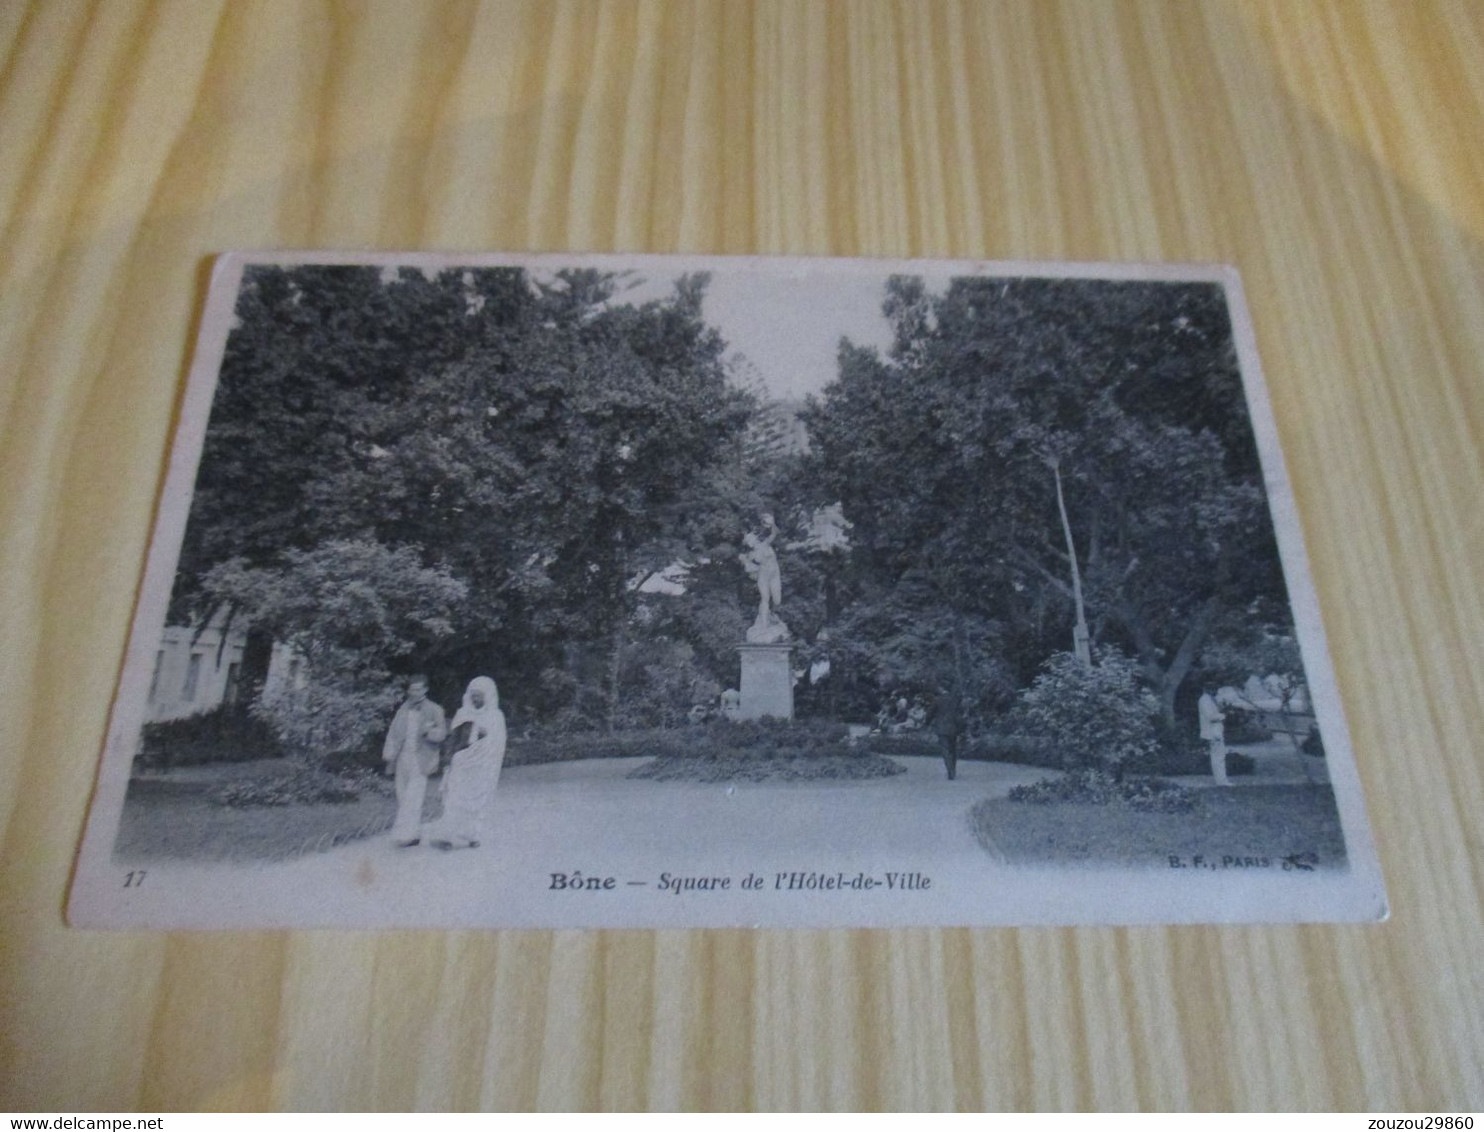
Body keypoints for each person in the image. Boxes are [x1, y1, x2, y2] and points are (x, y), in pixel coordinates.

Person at [430, 676, 507, 851]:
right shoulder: (463, 714)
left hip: (482, 767)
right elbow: (452, 740)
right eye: (473, 695)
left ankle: (472, 835)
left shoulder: (496, 717)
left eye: (479, 695)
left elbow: (498, 744)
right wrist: (448, 761)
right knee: (454, 799)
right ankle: (447, 837)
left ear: (488, 696)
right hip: (461, 765)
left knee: (477, 802)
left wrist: (485, 740)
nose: (476, 699)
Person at [382, 674, 447, 848]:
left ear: (425, 689)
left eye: (418, 689)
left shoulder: (435, 709)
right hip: (403, 756)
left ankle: (405, 835)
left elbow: (442, 734)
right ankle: (414, 832)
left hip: (422, 757)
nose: (414, 692)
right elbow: (394, 732)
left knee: (414, 795)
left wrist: (429, 733)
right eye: (412, 689)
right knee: (402, 794)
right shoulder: (403, 709)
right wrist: (390, 752)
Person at [1198, 684, 1230, 786]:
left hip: (1216, 730)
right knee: (1218, 756)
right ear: (1206, 689)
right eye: (1212, 688)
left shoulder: (1210, 699)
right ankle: (1221, 781)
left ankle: (1222, 780)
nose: (1215, 690)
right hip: (1212, 731)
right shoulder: (1204, 700)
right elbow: (1210, 717)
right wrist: (1223, 715)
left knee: (1219, 756)